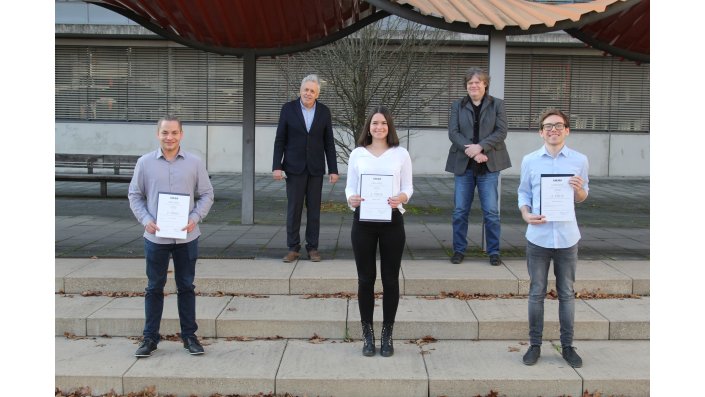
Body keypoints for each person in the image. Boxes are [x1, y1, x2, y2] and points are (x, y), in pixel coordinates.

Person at [128, 115, 214, 357]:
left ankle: (189, 337)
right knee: (154, 287)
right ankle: (150, 338)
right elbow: (134, 195)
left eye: (174, 133)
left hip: (186, 237)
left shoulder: (194, 163)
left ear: (181, 135)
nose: (170, 137)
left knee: (186, 286)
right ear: (158, 134)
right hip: (156, 238)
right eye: (165, 132)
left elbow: (207, 194)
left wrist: (194, 218)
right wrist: (146, 221)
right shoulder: (144, 163)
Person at [517, 109, 589, 368]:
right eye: (548, 126)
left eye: (559, 125)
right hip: (538, 236)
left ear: (567, 130)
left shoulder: (579, 160)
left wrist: (579, 190)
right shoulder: (530, 160)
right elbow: (523, 192)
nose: (553, 130)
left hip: (567, 237)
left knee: (567, 294)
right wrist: (525, 214)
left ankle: (567, 346)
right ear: (541, 132)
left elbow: (583, 197)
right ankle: (534, 345)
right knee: (536, 293)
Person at [345, 106, 413, 357]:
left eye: (383, 123)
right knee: (365, 279)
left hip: (392, 221)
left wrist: (402, 196)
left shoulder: (400, 153)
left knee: (391, 279)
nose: (379, 127)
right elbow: (350, 186)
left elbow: (408, 186)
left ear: (389, 126)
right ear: (368, 126)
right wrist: (350, 197)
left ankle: (387, 334)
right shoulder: (358, 153)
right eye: (375, 123)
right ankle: (367, 335)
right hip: (363, 221)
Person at [445, 67, 511, 266]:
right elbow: (453, 133)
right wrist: (472, 151)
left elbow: (501, 132)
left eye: (477, 82)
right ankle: (458, 250)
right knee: (460, 211)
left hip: (489, 164)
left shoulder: (497, 104)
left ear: (485, 84)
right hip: (463, 165)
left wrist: (481, 148)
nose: (473, 86)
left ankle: (493, 252)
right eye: (470, 83)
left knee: (491, 212)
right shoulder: (457, 105)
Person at [272, 74, 339, 263]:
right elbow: (280, 140)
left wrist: (333, 169)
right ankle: (293, 248)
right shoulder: (288, 109)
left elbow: (329, 143)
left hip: (316, 168)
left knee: (314, 210)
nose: (308, 93)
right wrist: (277, 166)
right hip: (294, 168)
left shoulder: (324, 112)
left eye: (312, 91)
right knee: (294, 209)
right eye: (306, 89)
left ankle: (313, 248)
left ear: (317, 94)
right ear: (300, 90)